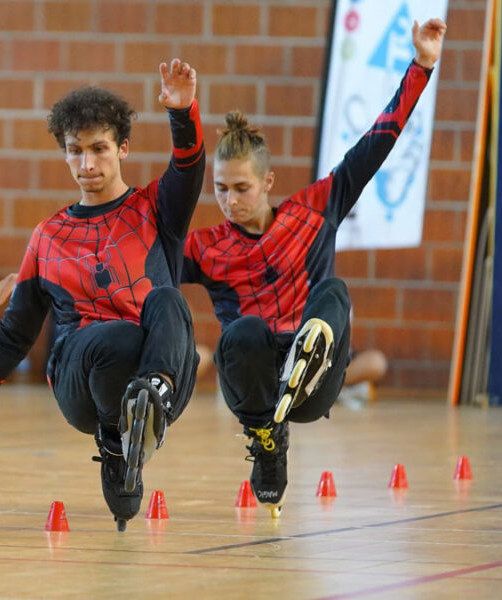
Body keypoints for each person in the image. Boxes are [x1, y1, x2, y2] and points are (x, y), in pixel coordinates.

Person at [0, 58, 205, 531]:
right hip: (81, 378)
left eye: (99, 149)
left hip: (153, 371)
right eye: (75, 151)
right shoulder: (48, 236)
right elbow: (13, 335)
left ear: (123, 149)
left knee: (168, 301)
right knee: (113, 338)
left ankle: (148, 411)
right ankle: (116, 437)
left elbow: (189, 166)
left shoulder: (157, 209)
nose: (87, 164)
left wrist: (183, 110)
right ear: (64, 153)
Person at [182, 19, 445, 517]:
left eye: (241, 189)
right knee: (239, 334)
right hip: (255, 382)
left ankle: (310, 351)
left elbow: (377, 141)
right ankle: (267, 443)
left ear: (267, 182)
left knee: (334, 291)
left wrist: (422, 64)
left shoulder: (314, 209)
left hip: (316, 378)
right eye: (220, 189)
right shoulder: (206, 247)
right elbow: (138, 266)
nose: (229, 200)